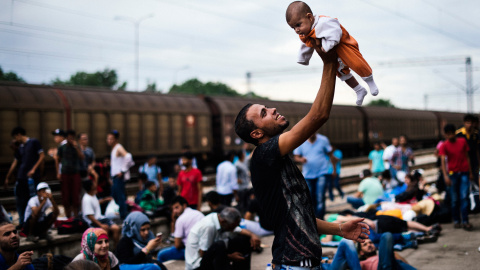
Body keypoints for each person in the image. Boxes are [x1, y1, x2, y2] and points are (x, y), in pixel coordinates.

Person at [234, 43, 369, 269]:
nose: (273, 109)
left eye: (266, 106)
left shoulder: (276, 160)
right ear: (256, 133)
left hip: (297, 262)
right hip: (294, 263)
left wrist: (338, 229)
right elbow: (318, 115)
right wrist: (329, 62)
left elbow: (298, 219)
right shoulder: (264, 154)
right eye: (264, 113)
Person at [286, 1, 378, 106]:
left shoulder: (324, 22)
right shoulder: (305, 32)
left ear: (310, 17)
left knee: (357, 63)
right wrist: (303, 58)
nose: (297, 30)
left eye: (298, 25)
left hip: (343, 46)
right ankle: (358, 89)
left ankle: (370, 82)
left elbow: (336, 32)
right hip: (333, 54)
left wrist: (327, 45)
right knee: (340, 72)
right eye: (293, 28)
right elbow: (306, 45)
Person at [185, 207, 260, 270]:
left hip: (209, 256)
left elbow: (238, 230)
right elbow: (203, 254)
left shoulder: (219, 218)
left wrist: (253, 235)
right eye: (232, 226)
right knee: (219, 245)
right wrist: (229, 257)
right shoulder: (209, 226)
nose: (233, 229)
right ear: (224, 222)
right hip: (197, 266)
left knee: (244, 239)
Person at [4, 127, 45, 228]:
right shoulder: (20, 147)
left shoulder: (33, 142)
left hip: (31, 178)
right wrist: (8, 176)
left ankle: (32, 222)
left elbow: (42, 156)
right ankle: (23, 223)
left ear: (19, 135)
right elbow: (15, 162)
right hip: (21, 178)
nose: (15, 140)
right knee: (21, 201)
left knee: (31, 200)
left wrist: (34, 169)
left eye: (15, 137)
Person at [439, 124, 474, 230]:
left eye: (452, 133)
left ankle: (465, 220)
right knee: (454, 199)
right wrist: (445, 176)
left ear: (455, 132)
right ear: (445, 135)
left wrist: (471, 172)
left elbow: (467, 157)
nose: (450, 136)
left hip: (464, 172)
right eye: (448, 134)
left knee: (464, 197)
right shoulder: (444, 145)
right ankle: (456, 220)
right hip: (452, 174)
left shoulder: (462, 141)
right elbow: (443, 162)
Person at [293, 132, 335, 219]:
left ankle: (320, 219)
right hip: (308, 175)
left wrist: (334, 170)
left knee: (320, 197)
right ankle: (314, 219)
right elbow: (296, 156)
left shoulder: (323, 140)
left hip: (322, 173)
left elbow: (331, 154)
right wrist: (301, 159)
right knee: (310, 198)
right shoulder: (301, 140)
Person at [327, 233, 416, 270]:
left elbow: (404, 264)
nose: (369, 244)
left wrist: (394, 255)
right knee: (387, 235)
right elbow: (345, 262)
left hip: (391, 265)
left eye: (370, 243)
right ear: (361, 252)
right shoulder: (362, 263)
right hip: (381, 268)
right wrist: (327, 261)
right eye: (365, 245)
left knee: (387, 235)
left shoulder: (384, 255)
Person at [157, 196, 204, 263]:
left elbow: (177, 245)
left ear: (184, 205)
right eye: (173, 209)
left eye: (177, 207)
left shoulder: (180, 219)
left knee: (161, 254)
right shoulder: (199, 213)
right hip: (203, 248)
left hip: (191, 252)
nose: (175, 211)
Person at [107, 130, 134, 219]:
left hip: (119, 177)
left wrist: (122, 170)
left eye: (111, 139)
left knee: (120, 195)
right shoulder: (114, 148)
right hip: (115, 177)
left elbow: (128, 157)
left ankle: (123, 215)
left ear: (115, 139)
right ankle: (122, 212)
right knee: (116, 194)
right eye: (108, 138)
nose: (109, 140)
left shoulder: (118, 147)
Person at [57, 129, 84, 218]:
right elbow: (57, 159)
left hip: (75, 173)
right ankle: (68, 216)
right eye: (69, 137)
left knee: (75, 196)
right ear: (66, 138)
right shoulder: (62, 147)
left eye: (72, 137)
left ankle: (76, 217)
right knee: (66, 197)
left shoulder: (77, 146)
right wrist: (58, 172)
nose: (71, 139)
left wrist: (76, 147)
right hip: (65, 173)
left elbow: (82, 157)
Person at [456, 114, 480, 186]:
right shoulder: (458, 134)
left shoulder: (476, 135)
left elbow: (477, 150)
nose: (470, 125)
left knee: (475, 183)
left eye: (471, 123)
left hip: (474, 162)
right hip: (462, 164)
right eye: (468, 123)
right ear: (464, 123)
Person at [235, 150, 251, 214]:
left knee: (247, 203)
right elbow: (234, 175)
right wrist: (237, 179)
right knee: (242, 204)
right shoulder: (237, 164)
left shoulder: (244, 161)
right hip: (241, 188)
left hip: (246, 186)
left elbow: (250, 156)